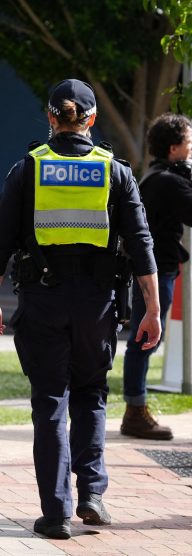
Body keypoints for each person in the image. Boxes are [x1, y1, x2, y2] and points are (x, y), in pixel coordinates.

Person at [0, 79, 161, 540]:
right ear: (92, 120)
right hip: (98, 305)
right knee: (90, 394)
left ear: (50, 118)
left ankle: (56, 512)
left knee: (50, 403)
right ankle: (93, 495)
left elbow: (0, 239)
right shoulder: (115, 172)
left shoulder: (28, 168)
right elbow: (141, 243)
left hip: (42, 301)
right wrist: (153, 307)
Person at [121, 113, 192, 441]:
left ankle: (135, 409)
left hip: (154, 266)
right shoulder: (168, 180)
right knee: (145, 338)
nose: (191, 149)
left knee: (146, 337)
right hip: (155, 269)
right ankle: (135, 412)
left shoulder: (159, 175)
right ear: (174, 148)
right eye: (189, 143)